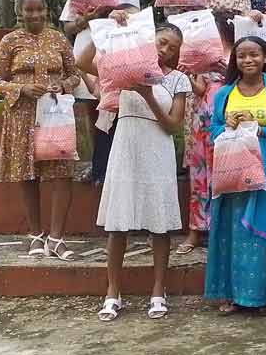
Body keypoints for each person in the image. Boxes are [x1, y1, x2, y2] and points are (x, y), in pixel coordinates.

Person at [81, 19, 191, 321]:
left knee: (159, 223)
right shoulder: (123, 65)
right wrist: (106, 28)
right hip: (125, 144)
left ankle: (158, 291)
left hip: (158, 146)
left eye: (172, 47)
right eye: (161, 41)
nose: (164, 49)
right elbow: (82, 61)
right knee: (118, 222)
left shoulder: (178, 79)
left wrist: (148, 95)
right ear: (150, 39)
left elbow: (172, 125)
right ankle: (112, 292)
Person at [203, 36, 266, 316]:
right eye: (242, 56)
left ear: (265, 57)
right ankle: (230, 294)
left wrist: (261, 129)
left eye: (254, 54)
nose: (248, 60)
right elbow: (213, 132)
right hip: (232, 175)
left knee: (264, 231)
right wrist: (226, 126)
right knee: (232, 232)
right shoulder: (224, 94)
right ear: (235, 61)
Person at [0, 0, 80, 260]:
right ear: (20, 11)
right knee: (28, 175)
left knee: (62, 173)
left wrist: (61, 85)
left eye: (39, 9)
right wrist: (22, 88)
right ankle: (35, 236)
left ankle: (57, 238)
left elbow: (75, 75)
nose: (35, 15)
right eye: (29, 10)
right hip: (22, 117)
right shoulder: (10, 41)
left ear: (47, 10)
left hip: (55, 117)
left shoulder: (58, 40)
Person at [59, 0, 141, 184]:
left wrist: (116, 16)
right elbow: (68, 27)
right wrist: (90, 17)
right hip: (87, 51)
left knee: (117, 109)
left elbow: (137, 22)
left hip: (118, 53)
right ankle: (96, 165)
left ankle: (117, 165)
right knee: (90, 108)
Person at [177, 10, 234, 254]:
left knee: (226, 173)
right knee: (199, 177)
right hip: (203, 119)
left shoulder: (238, 52)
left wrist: (227, 70)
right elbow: (201, 89)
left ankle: (223, 230)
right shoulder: (202, 53)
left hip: (229, 117)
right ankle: (195, 231)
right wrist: (189, 74)